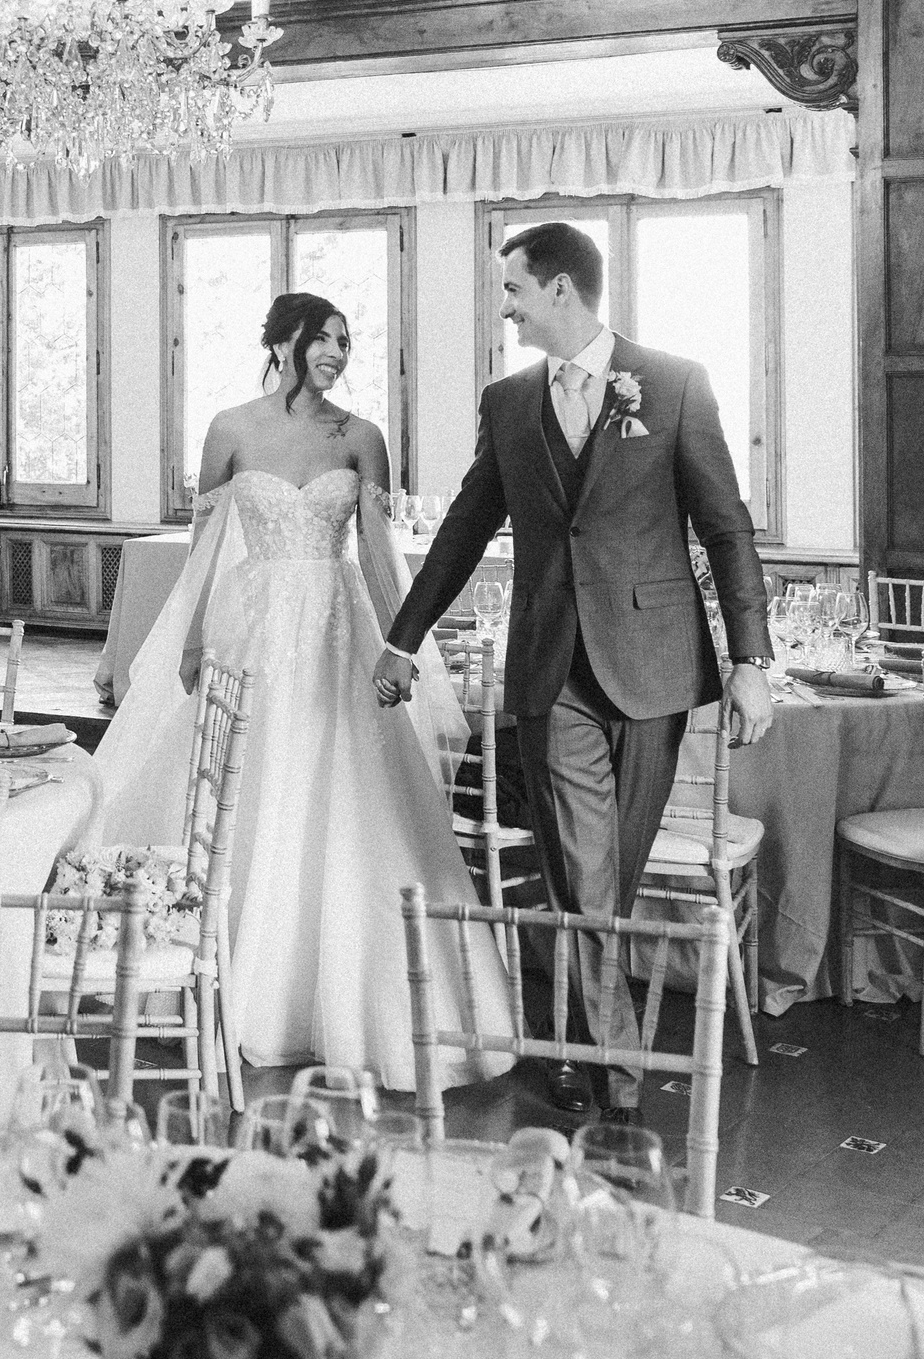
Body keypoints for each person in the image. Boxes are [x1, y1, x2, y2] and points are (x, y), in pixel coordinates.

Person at [373, 221, 774, 1124]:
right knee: (589, 882)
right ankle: (620, 1086)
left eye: (513, 290)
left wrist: (752, 659)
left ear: (559, 289)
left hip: (656, 668)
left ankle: (572, 1043)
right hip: (552, 673)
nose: (505, 308)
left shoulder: (672, 382)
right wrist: (403, 638)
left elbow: (727, 527)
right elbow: (466, 527)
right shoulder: (508, 401)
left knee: (603, 882)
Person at [84, 292, 514, 1094]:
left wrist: (400, 640)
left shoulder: (361, 438)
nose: (338, 355)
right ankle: (223, 977)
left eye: (347, 343)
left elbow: (380, 552)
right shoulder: (230, 429)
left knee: (345, 792)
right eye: (324, 339)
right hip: (251, 626)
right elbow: (205, 548)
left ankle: (347, 1002)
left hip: (337, 627)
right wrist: (187, 640)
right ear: (283, 341)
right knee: (245, 790)